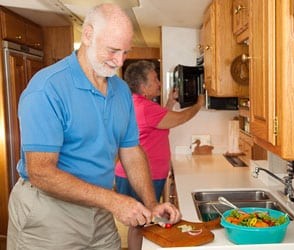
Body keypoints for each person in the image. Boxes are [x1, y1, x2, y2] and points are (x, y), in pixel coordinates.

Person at [7, 4, 180, 250]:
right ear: (87, 35)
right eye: (112, 50)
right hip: (48, 214)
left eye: (125, 52)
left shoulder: (120, 91)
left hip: (98, 209)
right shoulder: (47, 88)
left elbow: (131, 151)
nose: (119, 60)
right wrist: (115, 202)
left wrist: (151, 204)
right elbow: (41, 172)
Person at [114, 60, 204, 250]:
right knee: (142, 224)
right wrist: (199, 105)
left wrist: (171, 102)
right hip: (142, 177)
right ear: (144, 87)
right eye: (155, 79)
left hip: (132, 175)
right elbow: (179, 119)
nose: (160, 83)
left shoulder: (138, 104)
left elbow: (160, 119)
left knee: (141, 223)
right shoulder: (146, 108)